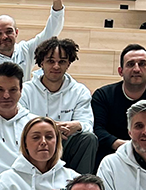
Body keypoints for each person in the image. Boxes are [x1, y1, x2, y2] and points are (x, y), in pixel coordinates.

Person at [21, 37, 98, 175]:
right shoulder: (26, 90)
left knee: (88, 139)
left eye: (61, 62)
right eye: (51, 61)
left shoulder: (79, 91)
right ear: (41, 63)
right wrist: (48, 128)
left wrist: (77, 125)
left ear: (68, 64)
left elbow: (87, 124)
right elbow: (19, 122)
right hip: (35, 143)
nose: (56, 66)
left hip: (66, 142)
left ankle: (80, 189)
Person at [91, 44, 146, 161]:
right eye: (131, 64)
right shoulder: (103, 95)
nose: (136, 69)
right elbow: (97, 129)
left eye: (142, 64)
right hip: (113, 154)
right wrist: (125, 146)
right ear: (120, 71)